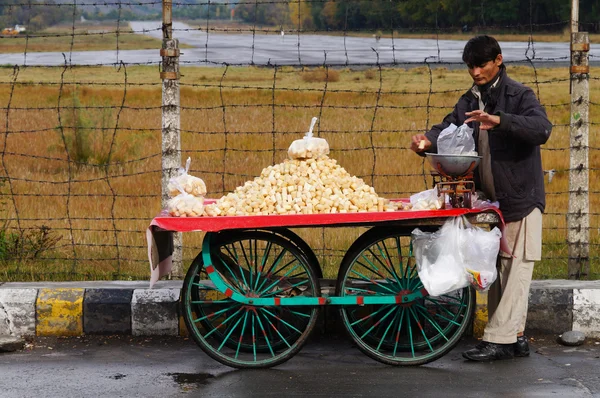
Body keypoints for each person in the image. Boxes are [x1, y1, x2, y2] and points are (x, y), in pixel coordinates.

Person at [410, 35, 552, 361]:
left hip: (522, 198)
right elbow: (448, 127)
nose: (475, 71)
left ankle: (498, 340)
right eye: (470, 66)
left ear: (498, 60)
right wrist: (427, 142)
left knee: (518, 269)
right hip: (492, 200)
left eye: (482, 64)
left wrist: (500, 121)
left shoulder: (519, 95)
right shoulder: (472, 98)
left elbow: (542, 128)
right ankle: (514, 338)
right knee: (500, 269)